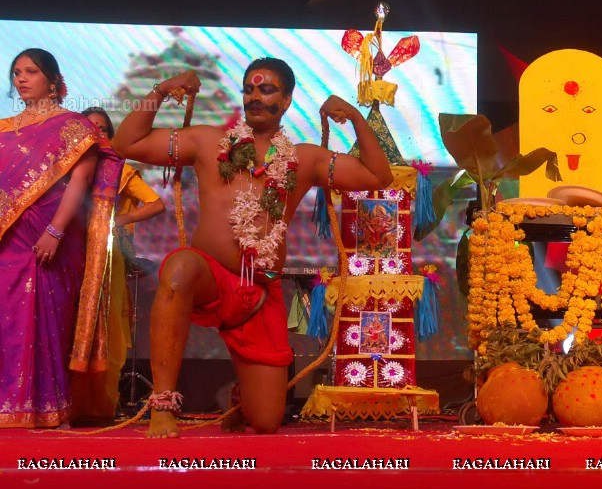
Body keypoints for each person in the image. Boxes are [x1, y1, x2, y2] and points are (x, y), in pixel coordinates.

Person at [112, 57, 393, 438]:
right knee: (178, 267)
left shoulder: (304, 159)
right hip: (208, 277)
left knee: (264, 422)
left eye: (266, 89)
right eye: (249, 89)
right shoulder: (208, 142)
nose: (255, 97)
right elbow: (125, 142)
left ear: (288, 99)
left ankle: (242, 397)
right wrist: (161, 91)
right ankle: (162, 403)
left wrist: (356, 118)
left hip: (260, 294)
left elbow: (378, 175)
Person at [0, 49, 118, 427]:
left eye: (31, 71)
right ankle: (9, 406)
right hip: (9, 239)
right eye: (16, 72)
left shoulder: (74, 127)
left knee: (47, 317)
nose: (21, 78)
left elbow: (81, 182)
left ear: (52, 80)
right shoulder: (3, 128)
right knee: (8, 319)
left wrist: (55, 231)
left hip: (51, 236)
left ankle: (51, 407)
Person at [69, 107, 166, 425]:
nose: (96, 133)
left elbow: (157, 203)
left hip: (108, 257)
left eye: (102, 129)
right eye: (89, 127)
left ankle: (98, 407)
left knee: (106, 328)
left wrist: (118, 220)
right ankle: (64, 404)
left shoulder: (119, 170)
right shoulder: (64, 167)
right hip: (68, 255)